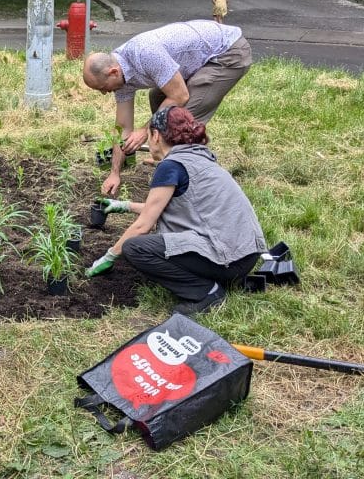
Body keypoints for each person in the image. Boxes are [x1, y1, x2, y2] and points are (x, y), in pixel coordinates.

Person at [85, 106, 266, 315]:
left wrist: (108, 256)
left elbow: (144, 225)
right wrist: (124, 206)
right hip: (245, 255)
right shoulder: (198, 157)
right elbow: (169, 208)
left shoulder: (171, 166)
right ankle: (216, 279)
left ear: (155, 135)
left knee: (135, 248)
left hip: (225, 258)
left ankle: (206, 292)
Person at [82, 19, 252, 196]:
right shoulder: (120, 76)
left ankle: (195, 182)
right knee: (158, 97)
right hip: (201, 57)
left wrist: (144, 130)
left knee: (178, 118)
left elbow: (180, 95)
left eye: (102, 88)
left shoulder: (144, 53)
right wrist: (114, 173)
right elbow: (123, 128)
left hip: (227, 52)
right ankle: (169, 157)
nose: (103, 93)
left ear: (113, 72)